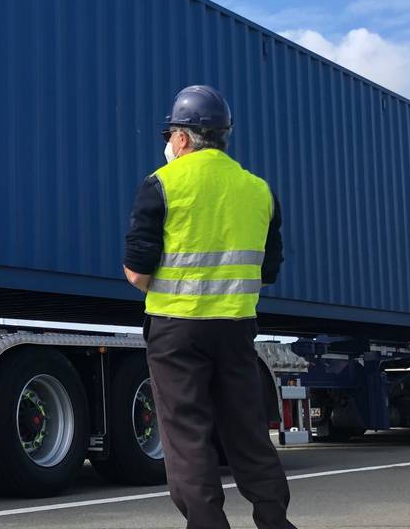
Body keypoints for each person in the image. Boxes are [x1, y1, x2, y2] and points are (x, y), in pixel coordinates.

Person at [123, 85, 294, 529]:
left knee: (188, 436)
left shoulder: (162, 184)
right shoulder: (259, 191)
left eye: (170, 134)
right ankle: (275, 521)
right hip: (236, 328)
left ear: (182, 137)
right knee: (248, 432)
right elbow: (268, 271)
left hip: (175, 329)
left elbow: (137, 273)